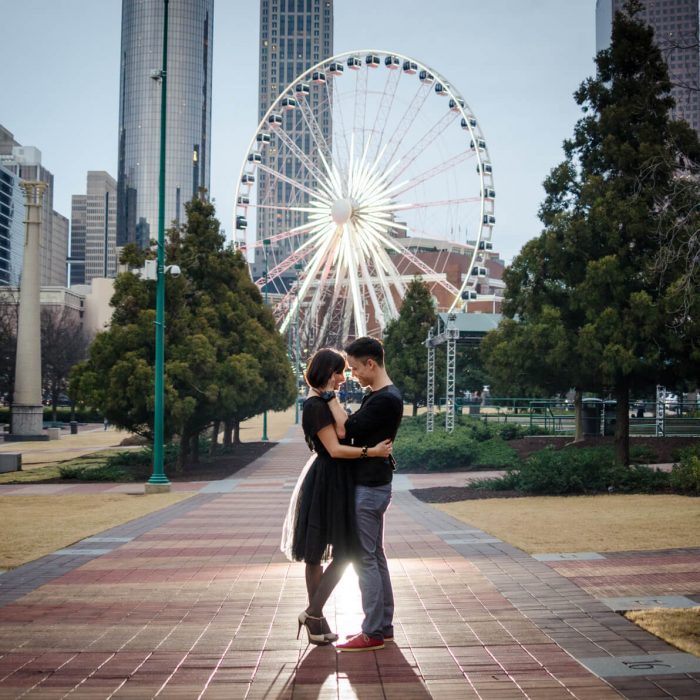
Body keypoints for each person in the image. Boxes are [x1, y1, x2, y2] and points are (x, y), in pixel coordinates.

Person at [281, 348, 393, 646]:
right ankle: (314, 615)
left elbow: (343, 428)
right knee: (324, 552)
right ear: (326, 372)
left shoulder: (325, 401)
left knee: (337, 552)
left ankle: (315, 619)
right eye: (339, 372)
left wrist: (334, 398)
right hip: (327, 479)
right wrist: (373, 452)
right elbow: (335, 448)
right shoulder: (315, 405)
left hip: (337, 479)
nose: (344, 378)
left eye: (345, 371)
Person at [325, 337, 403, 652]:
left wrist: (330, 397)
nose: (353, 375)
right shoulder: (381, 395)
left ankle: (371, 632)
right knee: (376, 556)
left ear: (370, 363)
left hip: (369, 488)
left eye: (355, 368)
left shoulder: (385, 399)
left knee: (365, 559)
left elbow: (347, 429)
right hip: (376, 484)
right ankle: (383, 626)